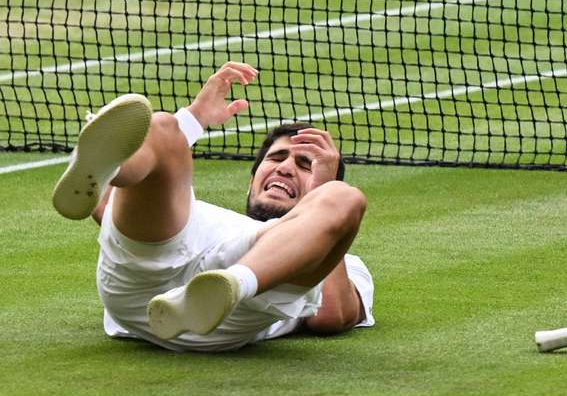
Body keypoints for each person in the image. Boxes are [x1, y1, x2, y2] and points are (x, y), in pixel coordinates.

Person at [52, 62, 374, 352]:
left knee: (347, 198)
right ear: (252, 181)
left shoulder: (345, 262)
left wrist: (324, 195)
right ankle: (109, 168)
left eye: (305, 165)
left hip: (235, 313)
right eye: (276, 158)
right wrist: (193, 120)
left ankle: (229, 286)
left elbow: (331, 314)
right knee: (164, 126)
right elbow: (111, 210)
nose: (285, 168)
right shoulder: (195, 216)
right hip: (145, 282)